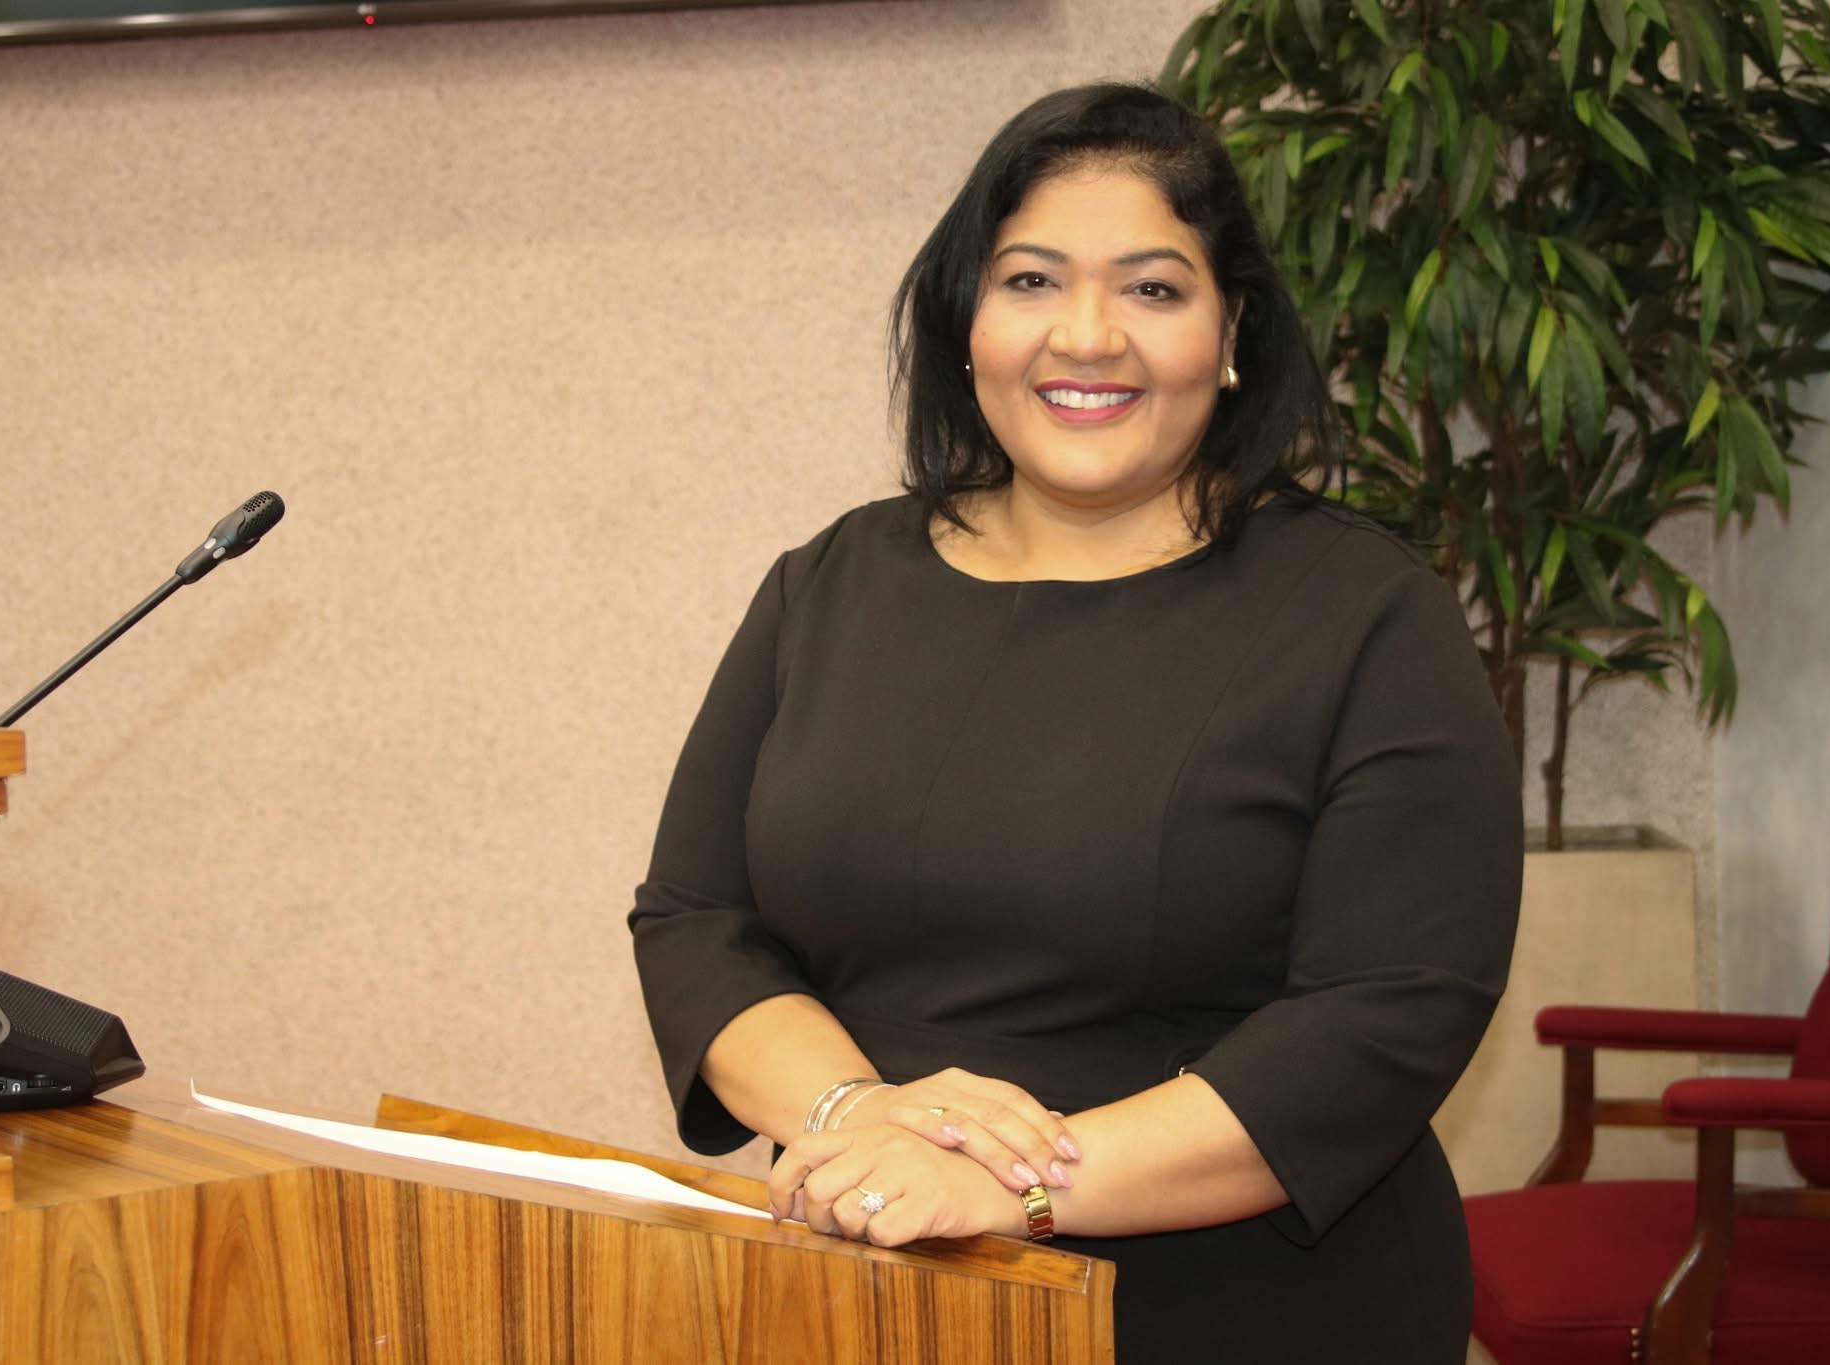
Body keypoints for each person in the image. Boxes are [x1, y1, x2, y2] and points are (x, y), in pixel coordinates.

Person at [629, 82, 1522, 1363]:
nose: (1086, 335)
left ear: (1230, 334)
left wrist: (1018, 1185)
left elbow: (1388, 1008)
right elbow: (696, 922)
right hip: (861, 1293)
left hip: (1244, 1308)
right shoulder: (828, 584)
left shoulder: (1366, 613)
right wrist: (855, 1113)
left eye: (1151, 289)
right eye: (1030, 281)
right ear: (967, 322)